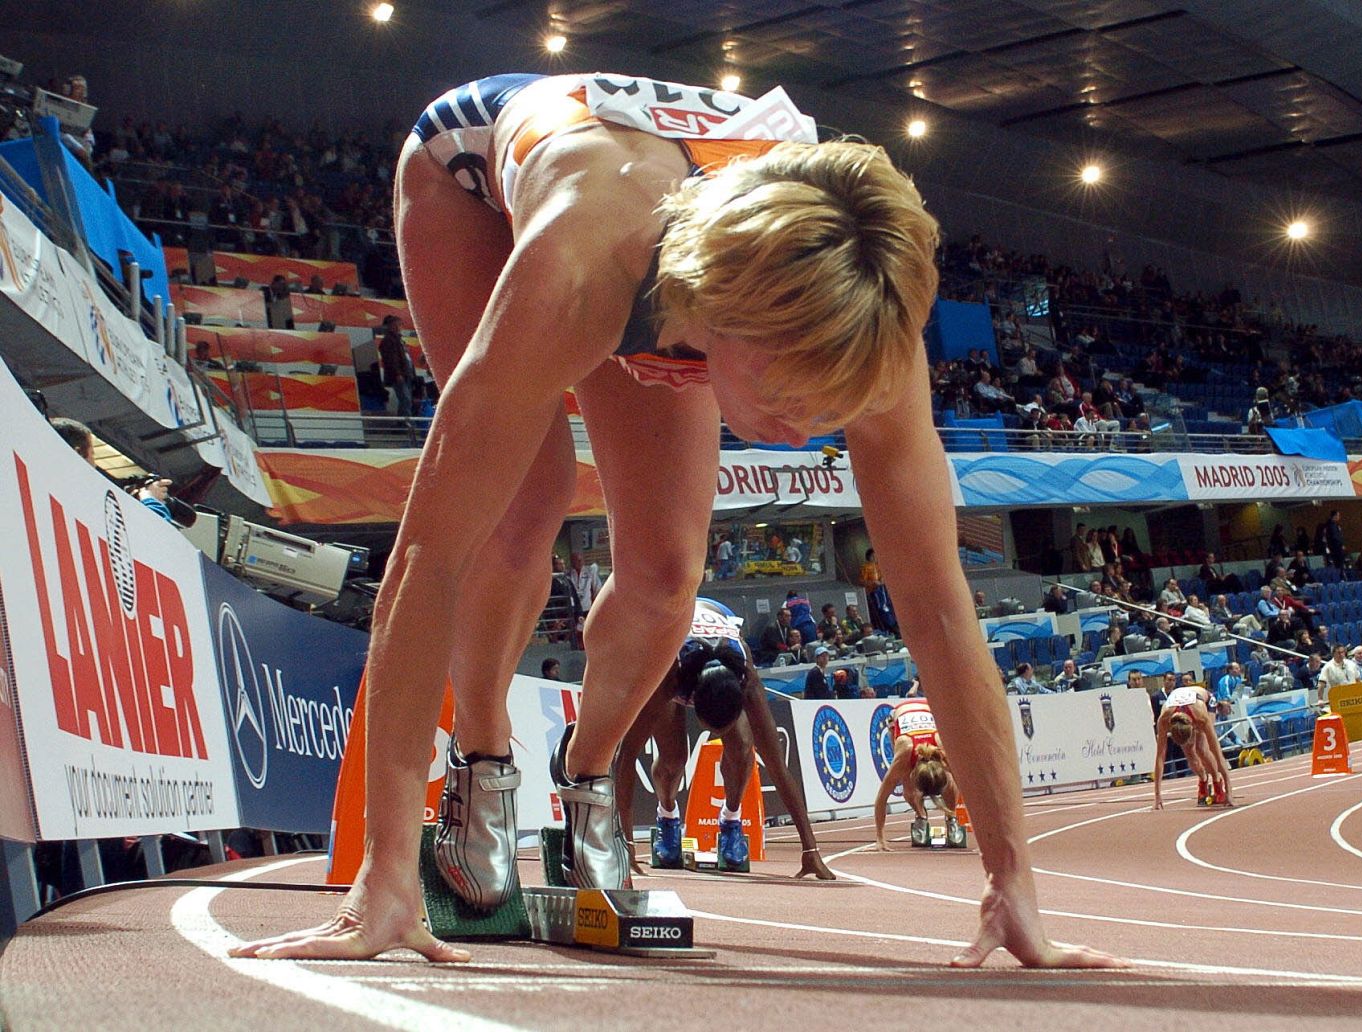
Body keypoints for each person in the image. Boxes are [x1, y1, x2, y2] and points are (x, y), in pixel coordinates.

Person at [230, 71, 1118, 970]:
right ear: (713, 317)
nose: (807, 429)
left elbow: (937, 607)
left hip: (686, 228)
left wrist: (1011, 876)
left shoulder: (868, 326)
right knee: (522, 505)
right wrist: (386, 870)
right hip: (478, 181)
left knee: (664, 579)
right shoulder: (586, 269)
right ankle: (482, 760)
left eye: (833, 403)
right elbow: (427, 559)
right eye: (790, 393)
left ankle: (588, 778)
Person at [614, 598, 834, 879]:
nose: (717, 735)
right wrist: (626, 845)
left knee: (742, 749)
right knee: (673, 759)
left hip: (716, 631)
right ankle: (667, 815)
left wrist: (810, 849)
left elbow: (777, 766)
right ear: (695, 705)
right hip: (666, 635)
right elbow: (626, 757)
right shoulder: (667, 674)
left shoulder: (747, 680)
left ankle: (731, 821)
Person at [873, 698, 962, 850]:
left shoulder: (942, 747)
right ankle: (921, 815)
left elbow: (963, 783)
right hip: (898, 719)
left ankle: (951, 818)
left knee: (950, 779)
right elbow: (882, 797)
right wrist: (880, 838)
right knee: (907, 784)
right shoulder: (904, 754)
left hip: (930, 709)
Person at [1151, 683, 1233, 810]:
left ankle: (1217, 782)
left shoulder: (1201, 717)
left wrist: (1229, 791)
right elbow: (1160, 756)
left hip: (1205, 702)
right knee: (1189, 753)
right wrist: (1157, 796)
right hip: (1181, 706)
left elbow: (1217, 752)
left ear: (1192, 726)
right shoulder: (1163, 719)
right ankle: (1203, 779)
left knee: (1202, 748)